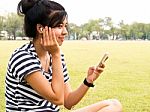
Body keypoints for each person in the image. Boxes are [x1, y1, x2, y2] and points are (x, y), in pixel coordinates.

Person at [5, 0, 122, 111]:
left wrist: (88, 80)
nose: (65, 32)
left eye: (65, 26)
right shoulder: (23, 57)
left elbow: (68, 101)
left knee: (114, 105)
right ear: (40, 28)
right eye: (59, 26)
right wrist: (55, 54)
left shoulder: (56, 57)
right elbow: (57, 99)